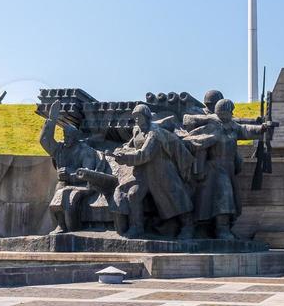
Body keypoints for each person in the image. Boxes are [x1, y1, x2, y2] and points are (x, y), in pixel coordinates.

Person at [186, 98, 273, 240]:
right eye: (229, 111)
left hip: (228, 168)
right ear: (223, 112)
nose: (232, 113)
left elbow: (245, 130)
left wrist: (262, 128)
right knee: (224, 196)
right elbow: (197, 141)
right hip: (215, 168)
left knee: (230, 198)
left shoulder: (232, 126)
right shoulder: (212, 126)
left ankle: (222, 228)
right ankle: (222, 229)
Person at [112, 103, 194, 239]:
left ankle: (188, 227)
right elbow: (130, 145)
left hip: (161, 170)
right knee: (133, 195)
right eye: (135, 117)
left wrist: (126, 158)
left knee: (176, 198)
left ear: (146, 116)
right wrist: (120, 152)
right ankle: (136, 227)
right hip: (142, 172)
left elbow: (145, 154)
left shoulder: (154, 132)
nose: (136, 120)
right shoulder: (137, 130)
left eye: (139, 116)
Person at [40, 99, 114, 233]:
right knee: (58, 197)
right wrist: (52, 119)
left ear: (75, 137)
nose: (65, 138)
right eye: (64, 135)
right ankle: (61, 225)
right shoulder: (61, 149)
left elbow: (88, 174)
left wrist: (70, 174)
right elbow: (45, 141)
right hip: (65, 184)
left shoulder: (85, 151)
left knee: (69, 196)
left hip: (84, 185)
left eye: (68, 136)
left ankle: (73, 229)